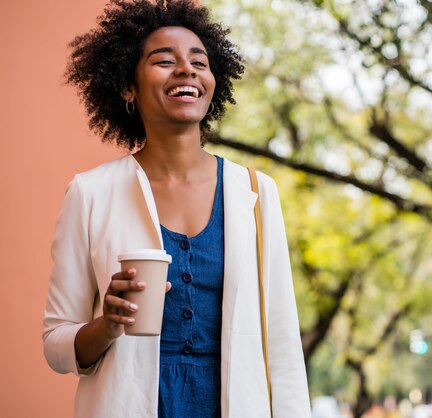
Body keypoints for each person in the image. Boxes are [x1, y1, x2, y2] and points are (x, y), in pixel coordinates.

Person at [42, 1, 311, 417]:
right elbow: (57, 342)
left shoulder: (256, 192)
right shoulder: (90, 193)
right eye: (164, 61)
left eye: (199, 62)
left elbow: (282, 345)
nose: (186, 70)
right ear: (127, 87)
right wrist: (106, 324)